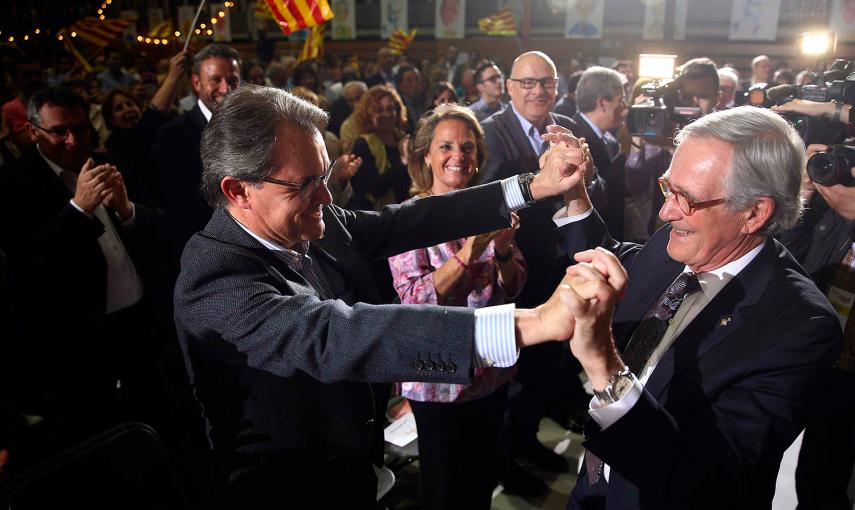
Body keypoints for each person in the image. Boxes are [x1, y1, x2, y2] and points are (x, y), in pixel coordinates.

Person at [173, 85, 591, 509]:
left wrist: (533, 187)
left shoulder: (313, 219)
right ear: (238, 190)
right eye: (305, 185)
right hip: (288, 489)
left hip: (350, 467)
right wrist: (531, 323)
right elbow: (338, 334)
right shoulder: (216, 276)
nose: (326, 196)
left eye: (325, 176)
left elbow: (411, 220)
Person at [552, 105, 842, 509]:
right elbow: (622, 262)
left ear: (754, 213)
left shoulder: (799, 327)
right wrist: (575, 196)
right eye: (667, 188)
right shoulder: (680, 240)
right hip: (596, 488)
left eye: (685, 198)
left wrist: (606, 368)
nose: (666, 212)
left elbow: (712, 480)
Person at [0, 86, 163, 464]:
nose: (72, 140)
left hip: (139, 326)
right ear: (33, 131)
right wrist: (79, 209)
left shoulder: (111, 162)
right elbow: (29, 265)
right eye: (59, 131)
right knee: (101, 444)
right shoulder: (12, 184)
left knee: (153, 424)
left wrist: (128, 210)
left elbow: (161, 229)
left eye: (80, 128)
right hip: (79, 344)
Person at [388, 105, 525, 509]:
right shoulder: (408, 218)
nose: (458, 156)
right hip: (437, 383)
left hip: (489, 375)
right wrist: (474, 247)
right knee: (443, 491)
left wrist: (502, 249)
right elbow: (418, 299)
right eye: (445, 146)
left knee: (477, 486)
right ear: (425, 155)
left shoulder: (488, 207)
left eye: (467, 147)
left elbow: (514, 288)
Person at [481, 50, 604, 492]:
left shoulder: (564, 130)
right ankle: (504, 462)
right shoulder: (492, 133)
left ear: (557, 87)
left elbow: (595, 189)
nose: (537, 91)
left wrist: (579, 168)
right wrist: (542, 180)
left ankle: (527, 440)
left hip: (560, 269)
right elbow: (486, 198)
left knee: (545, 371)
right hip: (515, 271)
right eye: (527, 83)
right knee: (513, 375)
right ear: (510, 87)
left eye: (545, 83)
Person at [771, 99, 855, 510]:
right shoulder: (834, 205)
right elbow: (788, 258)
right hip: (827, 354)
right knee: (816, 479)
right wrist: (803, 193)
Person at [153, 43, 240, 270]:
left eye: (232, 80)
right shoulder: (173, 135)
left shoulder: (254, 127)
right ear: (196, 82)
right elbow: (177, 205)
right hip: (200, 252)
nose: (226, 88)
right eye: (216, 79)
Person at [573, 66, 628, 238]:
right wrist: (624, 153)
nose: (625, 107)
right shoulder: (575, 139)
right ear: (602, 103)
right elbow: (601, 194)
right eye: (621, 100)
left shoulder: (610, 139)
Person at [348, 85, 410, 211]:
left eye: (391, 109)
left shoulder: (404, 139)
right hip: (380, 218)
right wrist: (403, 161)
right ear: (368, 114)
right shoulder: (363, 144)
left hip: (409, 211)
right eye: (380, 110)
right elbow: (374, 189)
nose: (387, 114)